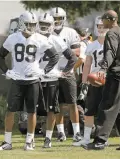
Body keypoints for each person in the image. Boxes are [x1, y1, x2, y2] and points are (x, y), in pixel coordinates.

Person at [0, 11, 59, 151]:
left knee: (32, 112)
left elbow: (54, 56)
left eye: (34, 24)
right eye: (29, 24)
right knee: (10, 111)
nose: (32, 27)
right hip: (17, 80)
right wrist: (7, 71)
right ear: (22, 24)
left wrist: (43, 71)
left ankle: (29, 141)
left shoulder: (40, 39)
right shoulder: (12, 38)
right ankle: (7, 142)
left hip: (33, 81)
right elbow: (0, 56)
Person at [83, 10, 120, 150]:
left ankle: (99, 141)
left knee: (106, 107)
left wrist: (103, 69)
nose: (102, 23)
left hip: (117, 75)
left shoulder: (111, 33)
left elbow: (110, 52)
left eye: (103, 20)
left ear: (109, 20)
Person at [37, 13, 77, 148]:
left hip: (51, 78)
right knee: (31, 110)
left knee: (51, 110)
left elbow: (72, 58)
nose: (44, 26)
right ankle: (29, 138)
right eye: (42, 23)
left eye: (47, 24)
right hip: (35, 77)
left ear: (51, 26)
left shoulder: (57, 39)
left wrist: (64, 72)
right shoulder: (32, 38)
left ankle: (48, 138)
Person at [73, 16, 109, 146]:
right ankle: (87, 138)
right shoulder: (91, 45)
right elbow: (87, 65)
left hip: (107, 81)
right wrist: (84, 83)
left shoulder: (112, 43)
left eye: (103, 27)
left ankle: (103, 138)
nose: (101, 29)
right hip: (93, 80)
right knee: (89, 110)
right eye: (99, 27)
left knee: (105, 111)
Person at [50, 7, 82, 142]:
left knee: (72, 103)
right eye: (54, 19)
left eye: (59, 18)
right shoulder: (46, 32)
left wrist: (68, 67)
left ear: (63, 19)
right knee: (57, 104)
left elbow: (77, 53)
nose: (57, 21)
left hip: (67, 70)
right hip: (53, 72)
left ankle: (76, 133)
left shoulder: (70, 32)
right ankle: (61, 133)